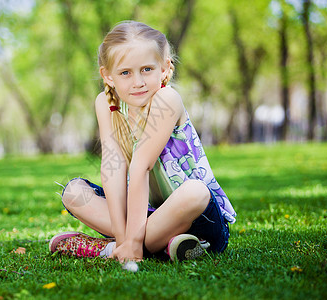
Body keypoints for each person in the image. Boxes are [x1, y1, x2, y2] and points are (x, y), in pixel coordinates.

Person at [49, 21, 236, 262]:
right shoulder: (106, 105)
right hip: (143, 214)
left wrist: (133, 243)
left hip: (199, 220)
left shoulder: (167, 99)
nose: (138, 81)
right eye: (125, 72)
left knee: (196, 192)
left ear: (165, 68)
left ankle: (109, 249)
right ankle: (160, 245)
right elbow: (112, 167)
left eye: (147, 69)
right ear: (108, 75)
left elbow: (140, 165)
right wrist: (124, 236)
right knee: (74, 192)